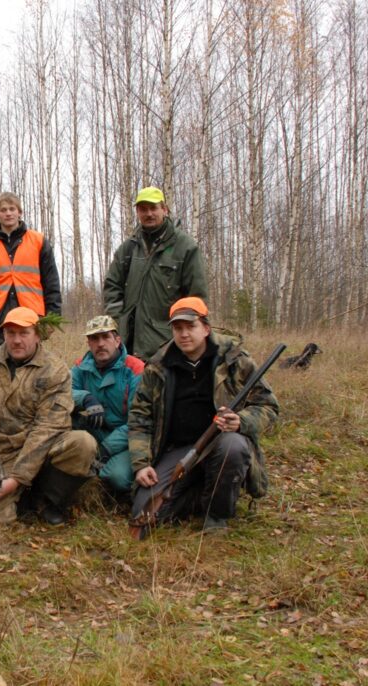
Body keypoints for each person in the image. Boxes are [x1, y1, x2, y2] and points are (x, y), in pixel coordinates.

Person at [128, 297, 279, 532]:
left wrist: (241, 421)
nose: (184, 334)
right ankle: (205, 492)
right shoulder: (158, 366)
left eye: (191, 326)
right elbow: (140, 416)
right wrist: (141, 464)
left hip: (221, 442)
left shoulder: (235, 360)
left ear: (206, 328)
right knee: (145, 515)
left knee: (233, 447)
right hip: (177, 449)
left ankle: (217, 517)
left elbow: (268, 406)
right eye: (178, 328)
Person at [0, 307, 96, 525]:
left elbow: (48, 429)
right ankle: (23, 500)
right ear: (3, 334)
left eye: (24, 333)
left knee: (82, 444)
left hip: (39, 449)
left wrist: (15, 480)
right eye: (11, 333)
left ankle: (46, 499)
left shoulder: (55, 370)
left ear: (37, 335)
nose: (16, 340)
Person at [103, 186, 208, 361]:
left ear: (164, 209)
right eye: (143, 209)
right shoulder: (129, 247)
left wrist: (185, 334)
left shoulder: (185, 247)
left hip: (167, 344)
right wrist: (117, 320)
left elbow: (196, 299)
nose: (149, 214)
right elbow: (112, 286)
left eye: (154, 208)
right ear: (137, 212)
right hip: (127, 345)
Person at [0, 192, 61, 349]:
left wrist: (51, 319)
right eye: (3, 210)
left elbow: (51, 283)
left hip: (31, 318)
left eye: (12, 209)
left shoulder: (38, 241)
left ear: (19, 212)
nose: (8, 213)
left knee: (32, 369)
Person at [70, 315, 145, 495]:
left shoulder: (135, 369)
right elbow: (64, 391)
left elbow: (139, 421)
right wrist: (86, 398)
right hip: (95, 430)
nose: (100, 344)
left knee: (117, 477)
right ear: (89, 343)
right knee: (63, 417)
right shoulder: (81, 366)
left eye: (106, 337)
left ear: (117, 340)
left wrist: (106, 449)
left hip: (128, 437)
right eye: (94, 338)